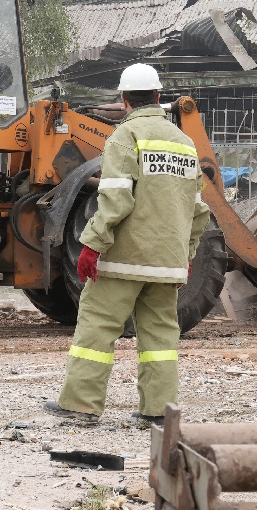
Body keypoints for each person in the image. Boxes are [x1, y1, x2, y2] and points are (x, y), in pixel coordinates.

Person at [45, 63, 209, 425]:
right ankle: (159, 414)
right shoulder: (185, 143)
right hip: (167, 262)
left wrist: (91, 245)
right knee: (161, 338)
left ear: (123, 100)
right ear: (159, 98)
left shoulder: (125, 136)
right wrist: (187, 255)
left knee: (98, 326)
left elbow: (116, 201)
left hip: (123, 260)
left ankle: (80, 406)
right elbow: (198, 209)